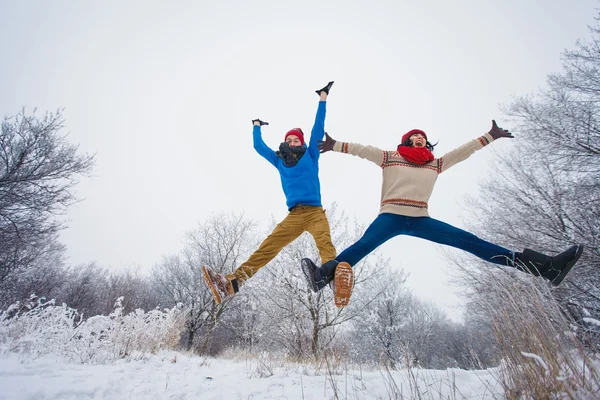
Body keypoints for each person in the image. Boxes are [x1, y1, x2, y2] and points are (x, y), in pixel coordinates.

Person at [301, 122, 584, 294]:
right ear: (406, 141)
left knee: (471, 242)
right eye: (414, 137)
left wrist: (489, 136)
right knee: (362, 246)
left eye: (422, 136)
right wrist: (335, 144)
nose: (419, 138)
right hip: (390, 216)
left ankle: (545, 269)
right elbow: (364, 150)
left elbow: (462, 153)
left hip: (421, 219)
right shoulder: (390, 157)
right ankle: (321, 277)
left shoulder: (435, 163)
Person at [202, 81, 352, 307]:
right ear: (285, 141)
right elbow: (259, 147)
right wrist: (256, 126)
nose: (292, 142)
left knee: (325, 244)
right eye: (289, 139)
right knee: (268, 247)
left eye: (296, 140)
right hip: (294, 215)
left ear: (301, 142)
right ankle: (231, 283)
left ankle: (336, 285)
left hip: (314, 213)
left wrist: (323, 98)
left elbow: (317, 128)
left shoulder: (311, 154)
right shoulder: (280, 160)